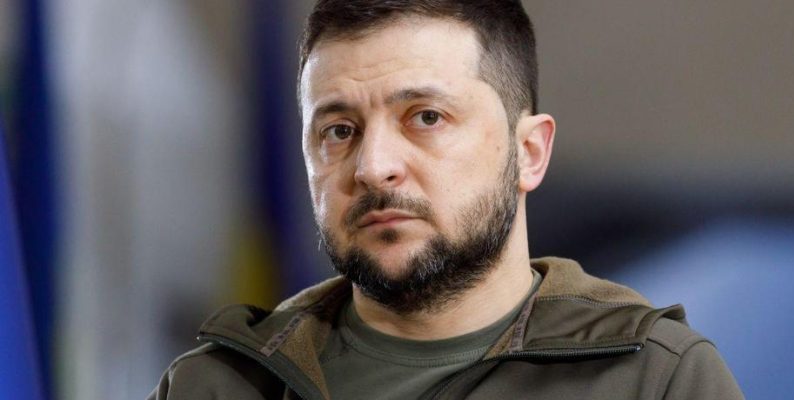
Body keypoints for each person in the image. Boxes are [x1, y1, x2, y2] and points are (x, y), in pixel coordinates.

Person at [149, 0, 743, 399]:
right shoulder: (215, 386)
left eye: (426, 117)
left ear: (529, 152)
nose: (373, 167)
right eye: (339, 130)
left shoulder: (653, 379)